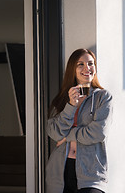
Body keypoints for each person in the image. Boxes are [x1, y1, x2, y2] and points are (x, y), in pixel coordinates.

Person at [46, 48, 113, 193]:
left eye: (90, 63)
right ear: (73, 69)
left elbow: (98, 133)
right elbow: (54, 133)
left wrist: (67, 136)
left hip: (90, 174)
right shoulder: (61, 100)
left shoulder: (103, 97)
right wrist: (71, 105)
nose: (87, 68)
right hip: (59, 174)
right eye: (80, 64)